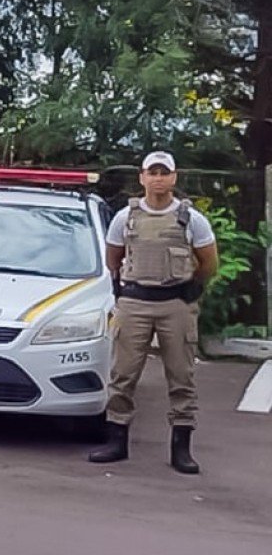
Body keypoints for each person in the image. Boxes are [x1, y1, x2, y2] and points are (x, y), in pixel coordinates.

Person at [90, 151, 219, 474]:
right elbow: (113, 258)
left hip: (176, 303)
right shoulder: (126, 217)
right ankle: (116, 441)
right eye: (153, 172)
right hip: (135, 301)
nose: (158, 178)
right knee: (123, 374)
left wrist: (191, 289)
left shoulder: (191, 219)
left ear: (174, 178)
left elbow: (209, 261)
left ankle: (181, 448)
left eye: (165, 172)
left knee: (181, 376)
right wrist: (125, 290)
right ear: (142, 177)